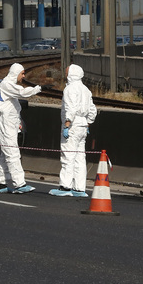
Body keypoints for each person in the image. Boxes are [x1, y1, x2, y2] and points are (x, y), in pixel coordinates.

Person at [0, 63, 42, 193]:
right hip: (6, 124)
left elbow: (14, 108)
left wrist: (18, 122)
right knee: (13, 153)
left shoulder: (9, 85)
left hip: (11, 123)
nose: (23, 76)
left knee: (6, 154)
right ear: (16, 73)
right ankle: (19, 184)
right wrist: (37, 89)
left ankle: (0, 183)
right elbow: (22, 92)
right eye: (22, 73)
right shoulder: (7, 85)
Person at [51, 64, 97, 197]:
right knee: (80, 158)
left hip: (73, 125)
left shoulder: (70, 89)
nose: (66, 73)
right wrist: (88, 123)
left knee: (68, 156)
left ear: (71, 73)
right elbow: (92, 109)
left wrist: (67, 124)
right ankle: (79, 188)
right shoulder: (86, 89)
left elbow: (71, 107)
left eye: (67, 71)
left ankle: (65, 186)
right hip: (83, 126)